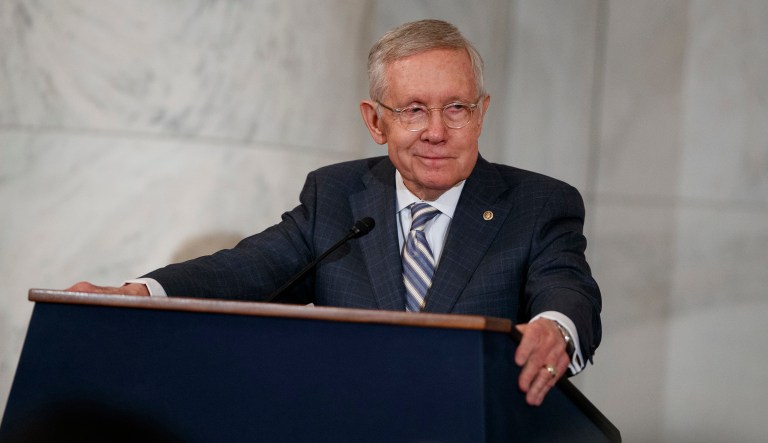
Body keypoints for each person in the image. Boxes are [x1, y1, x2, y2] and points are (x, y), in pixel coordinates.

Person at [67, 19, 601, 407]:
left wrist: (556, 327)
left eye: (456, 108)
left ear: (481, 112)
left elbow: (567, 288)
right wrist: (142, 292)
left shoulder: (537, 205)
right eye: (414, 110)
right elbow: (248, 267)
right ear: (376, 122)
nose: (437, 130)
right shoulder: (338, 196)